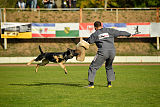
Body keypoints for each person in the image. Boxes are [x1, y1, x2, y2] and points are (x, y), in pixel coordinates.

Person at [84, 21, 132, 88]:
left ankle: (91, 84)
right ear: (102, 25)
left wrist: (83, 41)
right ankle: (109, 83)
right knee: (109, 67)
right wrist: (128, 34)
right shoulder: (109, 30)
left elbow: (89, 41)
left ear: (95, 27)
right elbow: (119, 33)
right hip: (112, 52)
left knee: (93, 67)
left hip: (103, 52)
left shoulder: (95, 34)